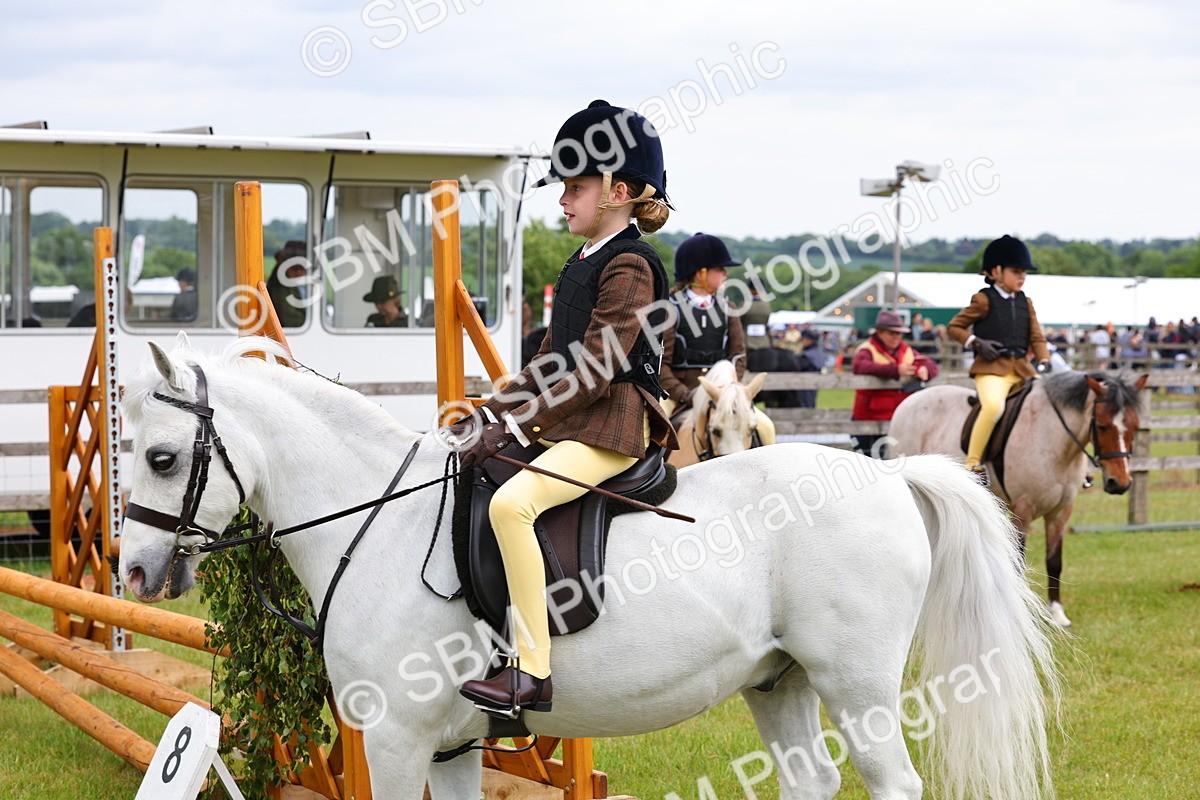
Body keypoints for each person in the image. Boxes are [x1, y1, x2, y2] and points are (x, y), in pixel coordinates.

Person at [446, 100, 678, 714]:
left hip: (613, 427)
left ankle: (531, 670)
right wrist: (493, 410)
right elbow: (551, 358)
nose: (563, 200)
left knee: (514, 504)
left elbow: (595, 368)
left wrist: (521, 420)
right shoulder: (581, 261)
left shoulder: (630, 265)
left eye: (575, 188)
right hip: (578, 417)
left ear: (618, 192)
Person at [948, 235, 1050, 484]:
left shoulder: (1026, 302)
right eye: (1016, 272)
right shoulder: (983, 299)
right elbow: (954, 327)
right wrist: (976, 342)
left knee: (1052, 404)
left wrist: (1044, 359)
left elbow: (1036, 337)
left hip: (1023, 369)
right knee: (994, 407)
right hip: (991, 370)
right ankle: (972, 463)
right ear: (996, 271)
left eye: (1024, 273)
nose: (1022, 277)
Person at [659, 232, 776, 444]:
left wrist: (727, 393)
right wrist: (685, 394)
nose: (725, 274)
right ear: (701, 273)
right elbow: (662, 364)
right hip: (678, 396)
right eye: (720, 269)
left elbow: (738, 356)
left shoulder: (728, 308)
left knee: (766, 427)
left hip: (722, 397)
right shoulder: (669, 309)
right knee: (646, 427)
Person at [851, 310, 939, 458]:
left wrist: (925, 370)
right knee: (868, 460)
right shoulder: (867, 349)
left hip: (899, 416)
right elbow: (860, 366)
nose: (896, 337)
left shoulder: (905, 350)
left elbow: (929, 364)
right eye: (892, 333)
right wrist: (895, 370)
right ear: (880, 332)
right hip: (871, 416)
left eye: (898, 333)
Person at [266, 240, 309, 328]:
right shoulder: (279, 287)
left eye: (302, 267)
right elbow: (290, 320)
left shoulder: (301, 282)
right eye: (295, 268)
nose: (299, 272)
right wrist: (310, 320)